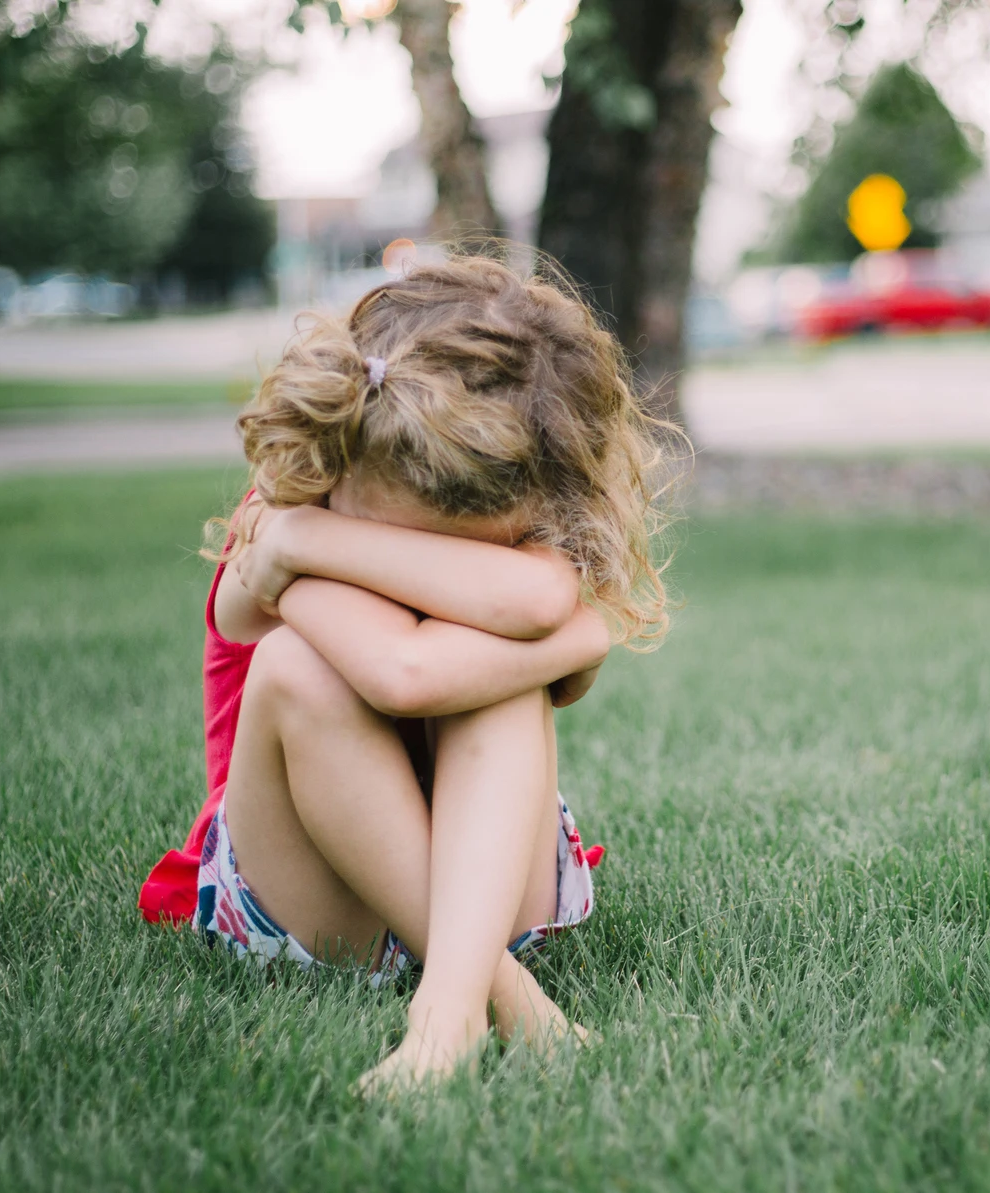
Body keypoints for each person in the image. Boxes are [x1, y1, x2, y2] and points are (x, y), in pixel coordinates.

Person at [137, 251, 674, 1093]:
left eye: (451, 555)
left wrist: (307, 547)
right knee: (293, 664)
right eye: (400, 541)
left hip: (492, 885)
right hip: (307, 898)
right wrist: (578, 641)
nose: (422, 566)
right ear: (342, 463)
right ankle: (494, 994)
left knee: (496, 692)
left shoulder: (308, 534)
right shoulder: (293, 496)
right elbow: (402, 672)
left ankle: (447, 1011)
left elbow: (524, 611)